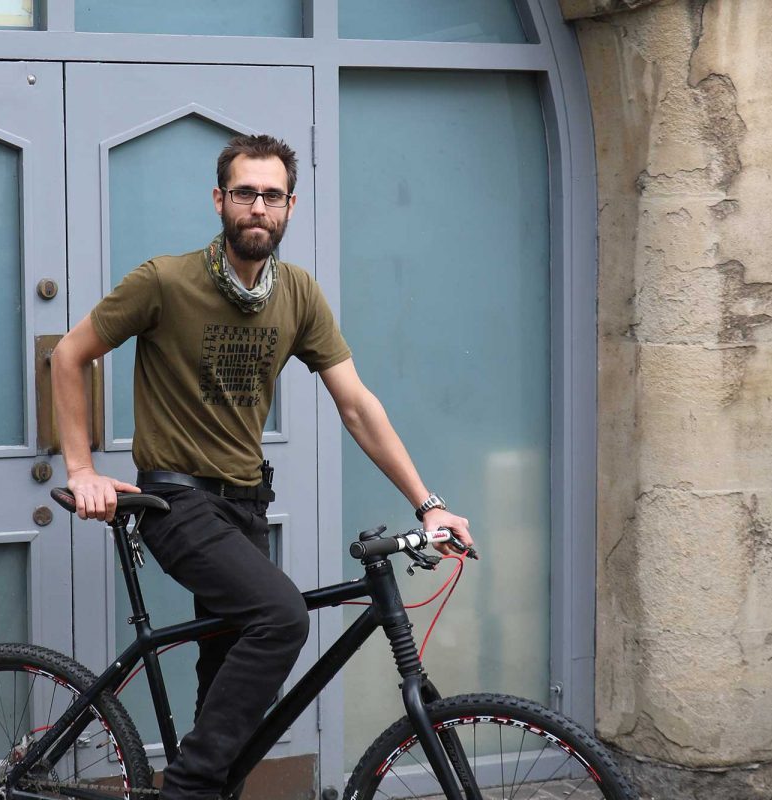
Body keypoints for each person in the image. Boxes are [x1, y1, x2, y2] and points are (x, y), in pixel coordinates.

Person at [52, 134, 474, 800]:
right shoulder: (165, 281)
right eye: (245, 192)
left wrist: (429, 503)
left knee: (230, 693)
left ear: (290, 206)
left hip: (245, 505)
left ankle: (206, 786)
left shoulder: (297, 295)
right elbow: (69, 356)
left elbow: (357, 405)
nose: (258, 207)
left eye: (271, 195)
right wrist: (81, 469)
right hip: (176, 503)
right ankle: (186, 790)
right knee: (281, 617)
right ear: (220, 200)